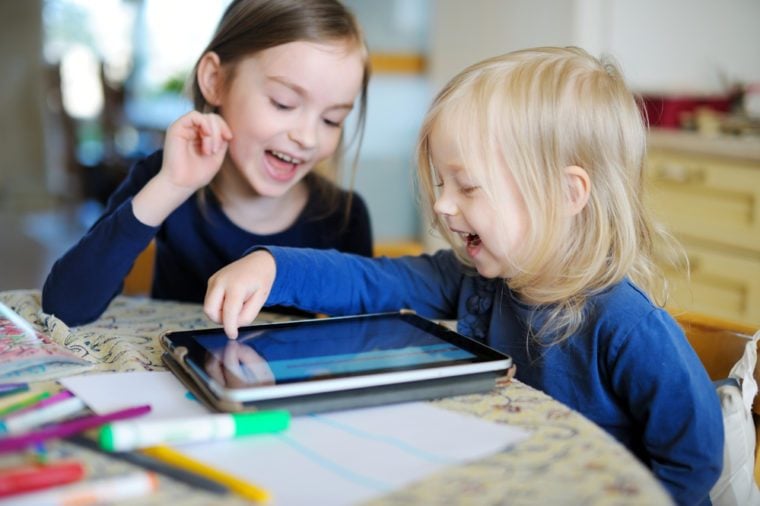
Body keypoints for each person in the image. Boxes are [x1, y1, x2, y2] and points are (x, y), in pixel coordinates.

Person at [202, 47, 723, 505]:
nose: (443, 206)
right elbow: (372, 282)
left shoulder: (628, 327)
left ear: (567, 195)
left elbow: (694, 461)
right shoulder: (473, 277)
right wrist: (275, 266)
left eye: (467, 187)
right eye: (441, 183)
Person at [42, 0, 373, 325]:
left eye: (332, 120)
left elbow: (364, 342)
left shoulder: (344, 217)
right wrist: (171, 187)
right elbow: (65, 306)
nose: (309, 138)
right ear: (215, 81)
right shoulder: (166, 176)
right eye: (283, 104)